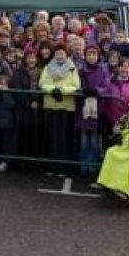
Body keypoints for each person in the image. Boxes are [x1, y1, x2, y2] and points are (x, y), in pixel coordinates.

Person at [39, 44, 81, 172]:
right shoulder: (47, 67)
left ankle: (64, 165)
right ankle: (51, 165)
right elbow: (42, 82)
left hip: (66, 106)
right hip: (51, 104)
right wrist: (53, 90)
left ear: (66, 54)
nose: (60, 55)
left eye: (62, 53)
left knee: (65, 137)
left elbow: (76, 85)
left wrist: (62, 90)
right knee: (51, 136)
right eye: (57, 53)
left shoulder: (72, 68)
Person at [77, 44, 111, 177]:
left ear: (98, 56)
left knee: (95, 141)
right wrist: (82, 90)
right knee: (84, 141)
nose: (91, 56)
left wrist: (97, 90)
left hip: (98, 109)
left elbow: (106, 85)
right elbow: (76, 83)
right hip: (84, 108)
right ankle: (83, 165)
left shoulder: (103, 70)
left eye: (94, 54)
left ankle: (93, 167)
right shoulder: (81, 69)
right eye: (89, 54)